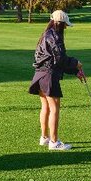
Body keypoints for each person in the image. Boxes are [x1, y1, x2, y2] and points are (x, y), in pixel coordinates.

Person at [28, 9, 84, 151]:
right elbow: (60, 59)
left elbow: (56, 61)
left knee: (45, 107)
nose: (66, 27)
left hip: (40, 74)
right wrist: (76, 63)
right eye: (65, 24)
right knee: (54, 108)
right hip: (48, 76)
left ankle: (44, 138)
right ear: (59, 23)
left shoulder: (46, 35)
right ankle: (54, 142)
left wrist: (75, 71)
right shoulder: (54, 37)